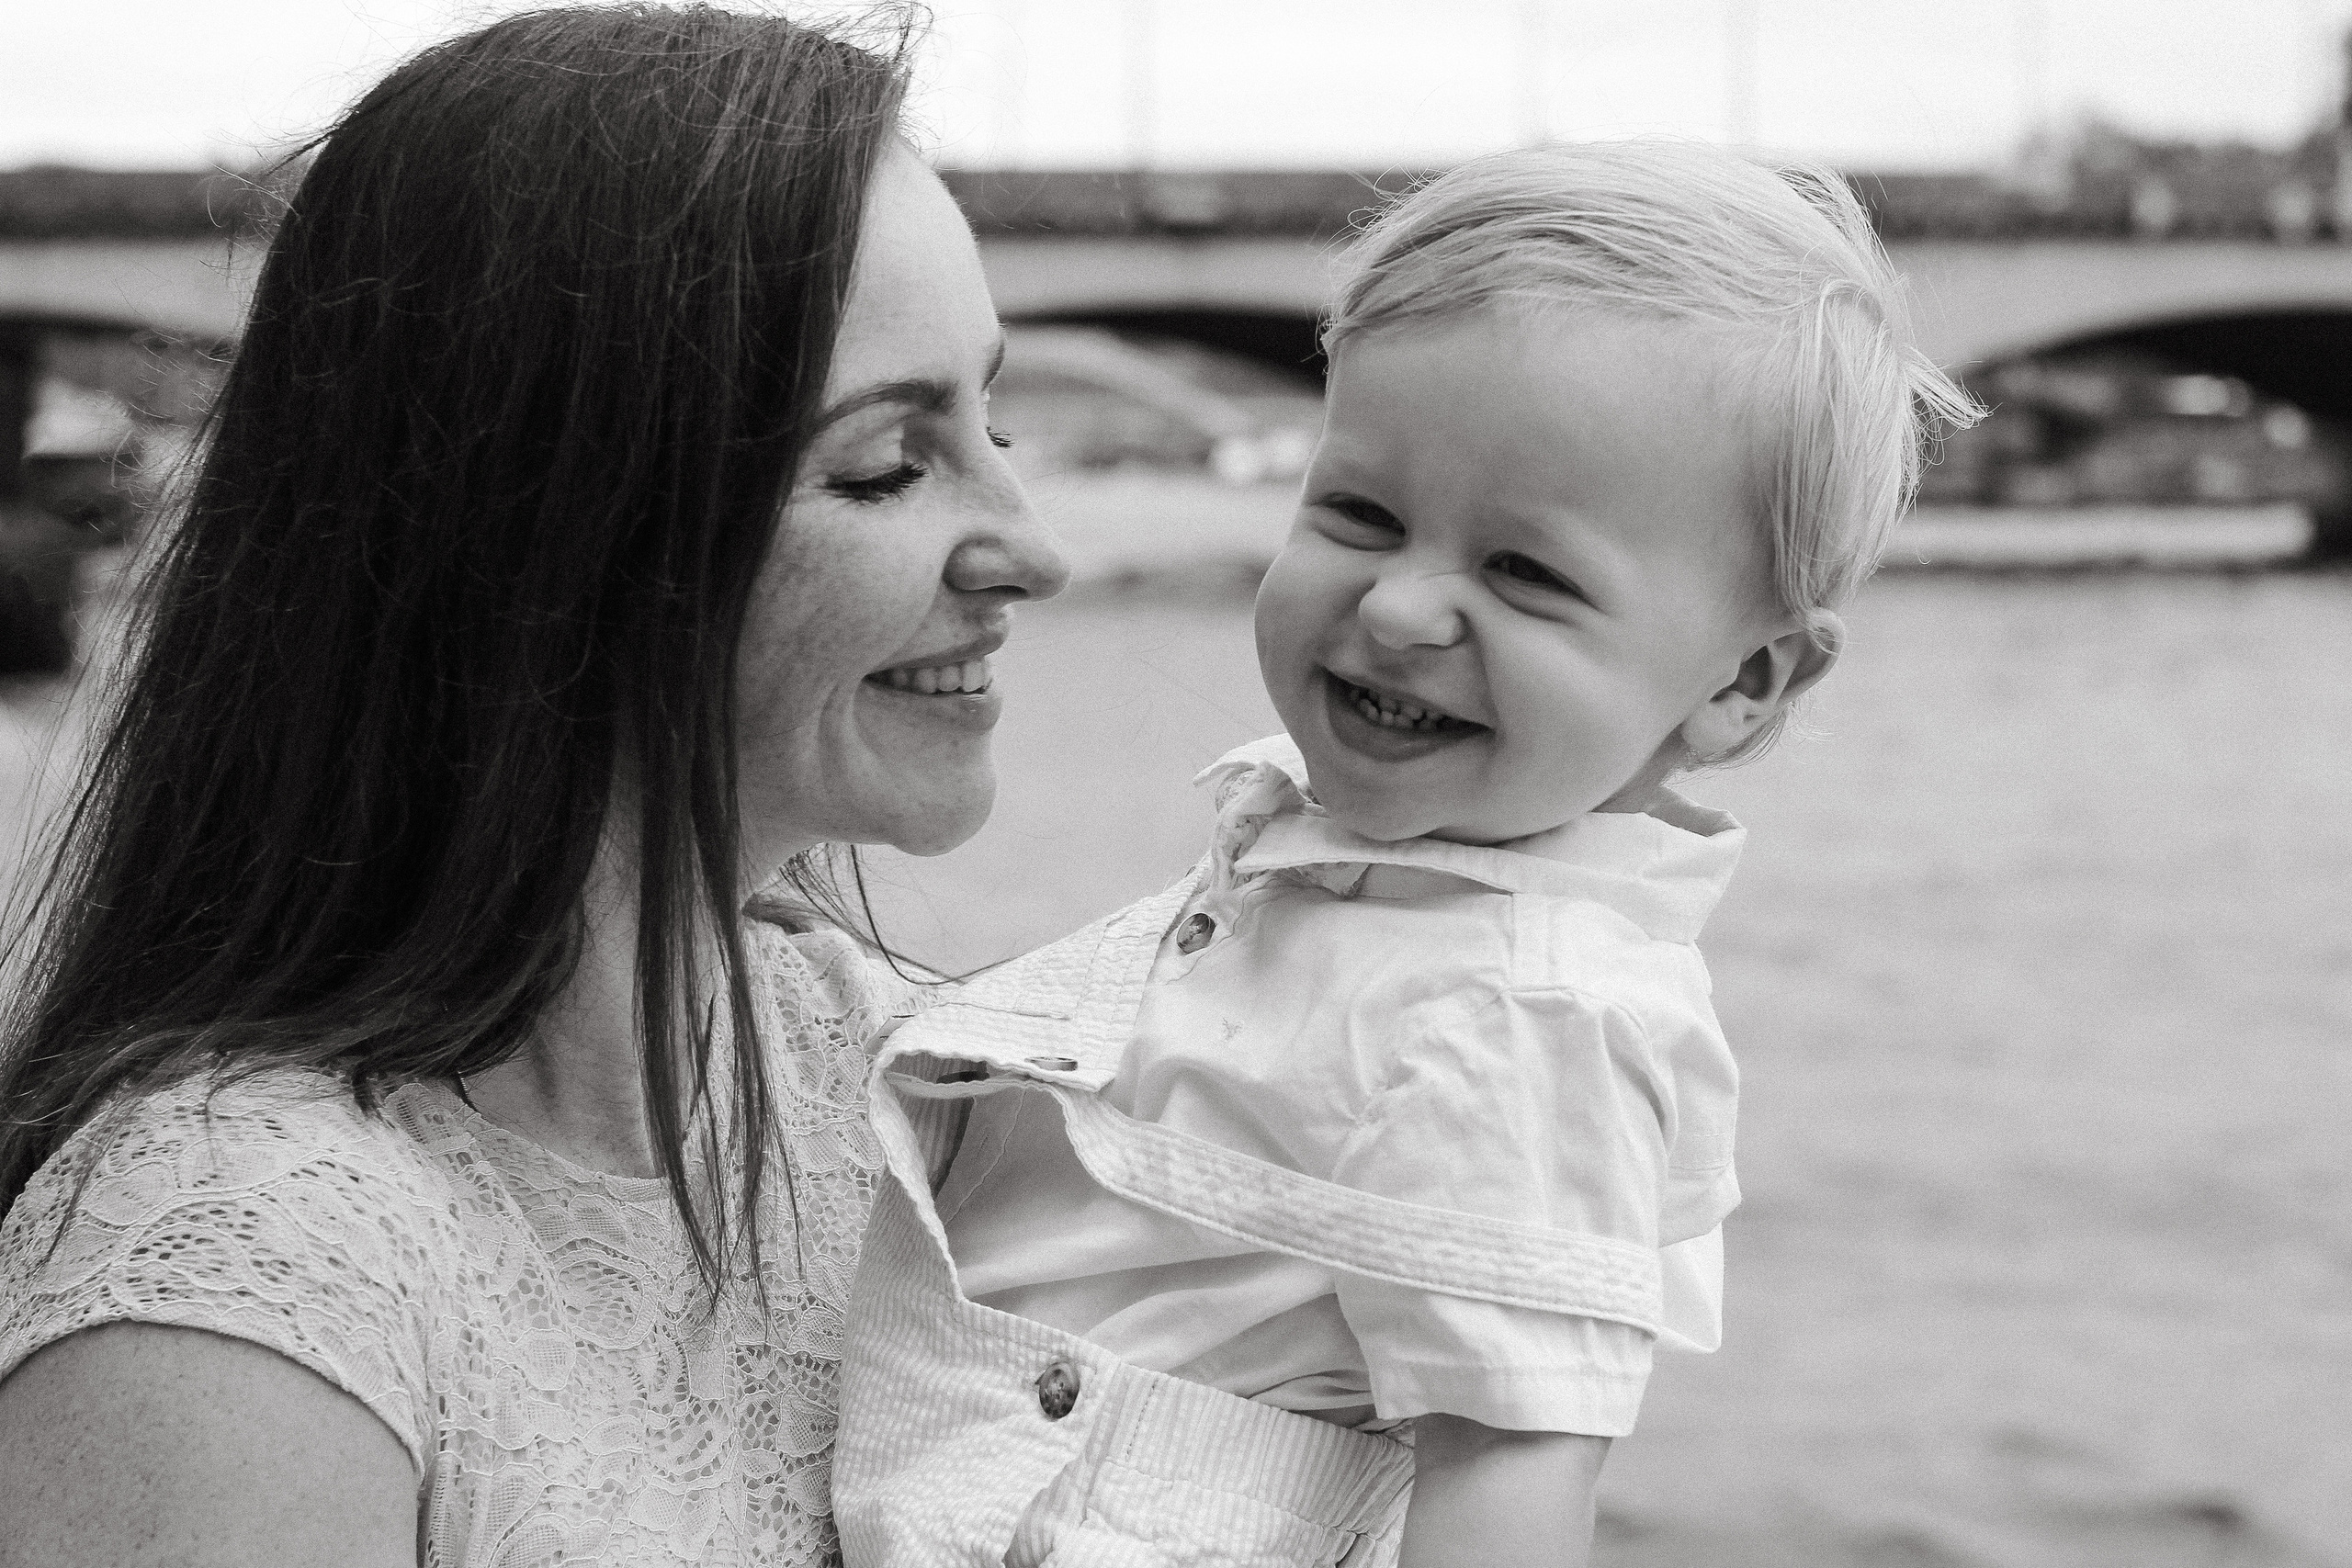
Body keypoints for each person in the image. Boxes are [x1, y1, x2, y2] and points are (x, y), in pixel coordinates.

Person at [0, 6, 1066, 1565]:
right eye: (884, 467)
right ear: (561, 543)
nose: (1034, 548)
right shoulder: (235, 1289)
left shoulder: (891, 1071)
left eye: (996, 413)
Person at [831, 141, 1979, 1566]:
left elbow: (1511, 1479)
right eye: (1361, 516)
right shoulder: (1374, 884)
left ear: (1744, 684)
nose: (1400, 607)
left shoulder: (1530, 1014)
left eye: (1525, 576)